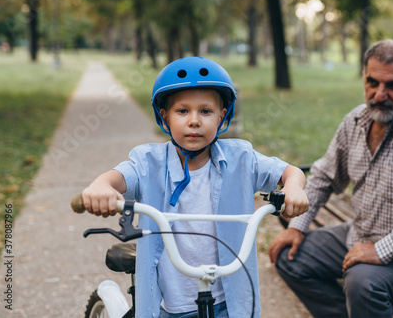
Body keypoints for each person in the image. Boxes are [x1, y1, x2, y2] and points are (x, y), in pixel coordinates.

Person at [81, 57, 309, 318]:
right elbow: (117, 178)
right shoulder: (148, 162)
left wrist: (294, 187)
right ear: (164, 116)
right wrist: (101, 186)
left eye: (205, 111)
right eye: (182, 111)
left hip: (229, 302)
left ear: (222, 116)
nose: (194, 121)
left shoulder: (242, 159)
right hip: (170, 303)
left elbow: (290, 172)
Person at [268, 39, 393, 318]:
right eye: (372, 82)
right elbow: (324, 176)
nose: (380, 94)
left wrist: (381, 250)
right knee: (289, 257)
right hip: (363, 231)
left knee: (363, 281)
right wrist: (297, 227)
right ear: (364, 77)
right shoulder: (356, 121)